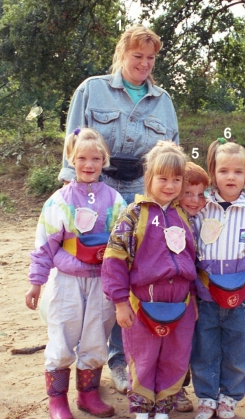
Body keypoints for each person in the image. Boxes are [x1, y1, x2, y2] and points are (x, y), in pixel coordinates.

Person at [58, 25, 179, 393]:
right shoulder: (91, 89)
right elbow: (74, 142)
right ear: (122, 55)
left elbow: (170, 152)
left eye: (150, 58)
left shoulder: (164, 101)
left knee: (140, 266)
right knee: (103, 267)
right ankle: (89, 357)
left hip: (144, 187)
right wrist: (72, 187)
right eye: (137, 55)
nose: (143, 63)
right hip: (100, 185)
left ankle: (124, 358)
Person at [26, 128, 126, 419]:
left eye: (96, 158)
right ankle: (57, 400)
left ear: (104, 160)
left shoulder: (116, 200)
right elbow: (44, 244)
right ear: (71, 158)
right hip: (67, 282)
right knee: (62, 336)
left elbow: (123, 243)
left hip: (101, 282)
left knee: (96, 338)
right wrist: (36, 282)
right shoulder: (58, 201)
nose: (89, 164)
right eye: (82, 158)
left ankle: (88, 395)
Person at [102, 142, 196, 419]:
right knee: (142, 358)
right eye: (163, 178)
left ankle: (164, 408)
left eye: (176, 180)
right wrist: (120, 302)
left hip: (181, 304)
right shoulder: (132, 215)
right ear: (149, 178)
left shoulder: (184, 216)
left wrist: (193, 297)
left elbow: (193, 260)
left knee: (175, 358)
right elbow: (114, 259)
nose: (170, 185)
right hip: (143, 304)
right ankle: (142, 409)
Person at [190, 139, 245, 419]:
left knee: (238, 348)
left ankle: (229, 397)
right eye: (224, 170)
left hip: (242, 296)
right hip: (205, 294)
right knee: (205, 348)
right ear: (213, 172)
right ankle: (206, 397)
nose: (231, 177)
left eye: (238, 172)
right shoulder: (201, 208)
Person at [175, 161, 210, 414]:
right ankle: (176, 388)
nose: (195, 200)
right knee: (176, 341)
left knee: (191, 341)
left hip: (199, 291)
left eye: (201, 195)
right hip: (177, 291)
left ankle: (183, 385)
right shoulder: (173, 220)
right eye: (188, 193)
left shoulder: (201, 220)